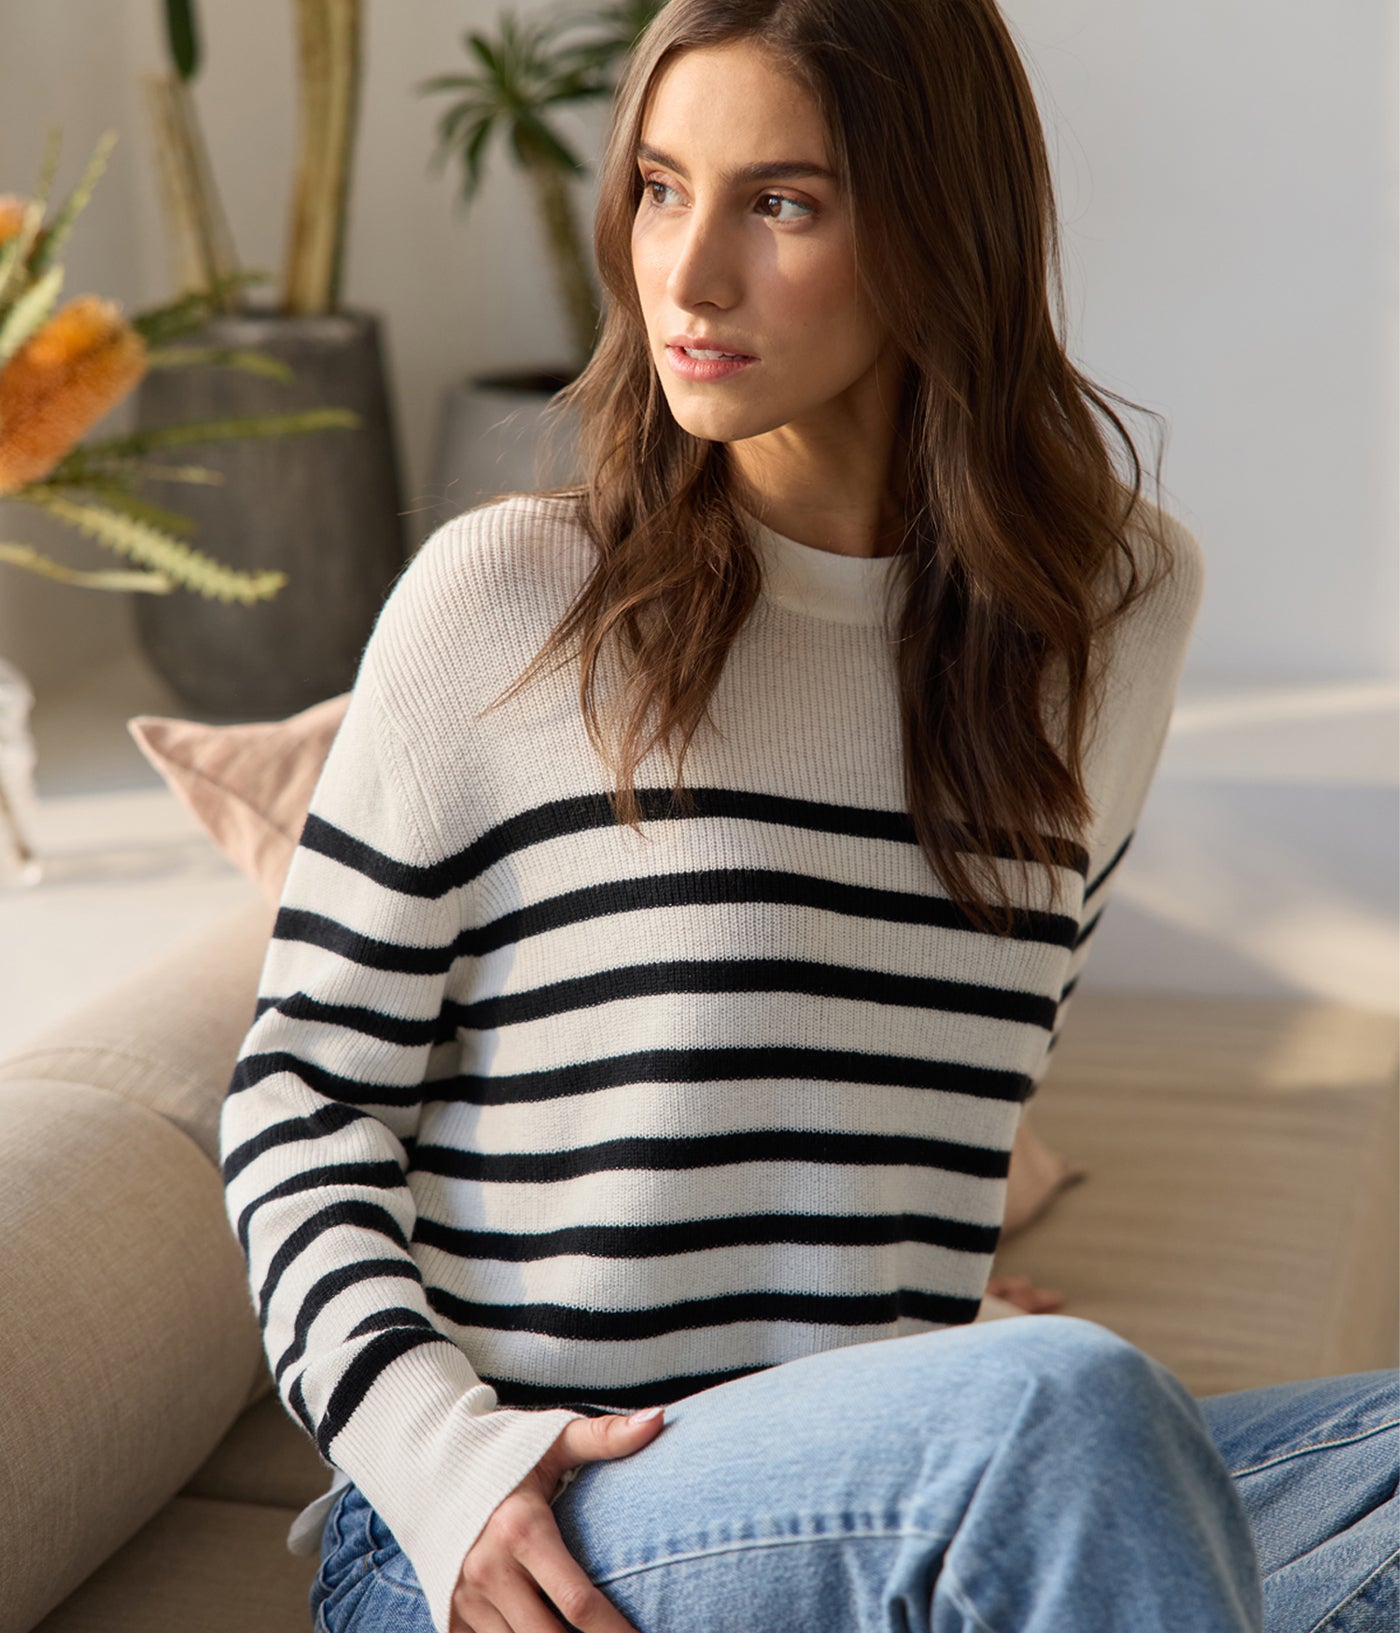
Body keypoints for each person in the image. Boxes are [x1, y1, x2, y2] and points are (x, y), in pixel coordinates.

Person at [218, 2, 1400, 1631]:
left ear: (941, 226)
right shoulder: (506, 597)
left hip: (889, 1497)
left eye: (782, 203)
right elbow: (297, 1101)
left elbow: (946, 1078)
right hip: (527, 1529)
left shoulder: (1114, 615)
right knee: (1063, 1404)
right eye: (657, 186)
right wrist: (445, 1461)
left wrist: (909, 1342)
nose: (686, 275)